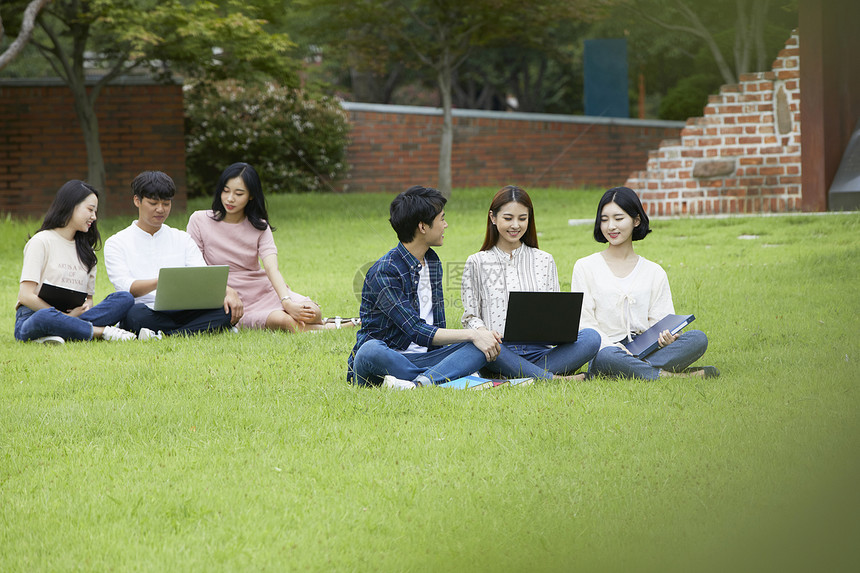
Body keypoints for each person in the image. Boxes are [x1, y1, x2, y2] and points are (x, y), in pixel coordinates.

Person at [348, 185, 501, 389]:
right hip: (384, 360)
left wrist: (478, 338)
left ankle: (419, 383)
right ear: (423, 227)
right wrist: (472, 333)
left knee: (480, 345)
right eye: (442, 219)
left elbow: (436, 325)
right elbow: (416, 330)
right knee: (370, 350)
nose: (446, 225)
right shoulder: (385, 272)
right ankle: (442, 377)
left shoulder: (432, 262)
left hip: (424, 359)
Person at [186, 162, 356, 332]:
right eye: (225, 191)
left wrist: (286, 301)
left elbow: (271, 268)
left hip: (263, 291)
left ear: (251, 196)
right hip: (231, 297)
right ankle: (335, 327)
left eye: (238, 193)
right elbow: (196, 268)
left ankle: (322, 323)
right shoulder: (199, 220)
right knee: (284, 321)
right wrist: (226, 290)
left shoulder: (260, 226)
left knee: (313, 312)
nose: (230, 198)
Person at [571, 186, 718, 379]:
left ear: (636, 220)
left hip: (647, 349)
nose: (610, 227)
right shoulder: (585, 267)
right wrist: (618, 349)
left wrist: (666, 338)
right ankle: (673, 376)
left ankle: (627, 372)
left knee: (698, 338)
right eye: (604, 220)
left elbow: (661, 321)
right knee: (608, 357)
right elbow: (585, 324)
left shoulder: (654, 271)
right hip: (606, 350)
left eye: (618, 218)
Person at [461, 185, 600, 380]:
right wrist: (484, 334)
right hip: (499, 351)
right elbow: (470, 317)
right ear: (493, 218)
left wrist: (560, 329)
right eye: (508, 218)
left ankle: (522, 375)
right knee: (474, 346)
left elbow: (554, 312)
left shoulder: (544, 260)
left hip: (540, 352)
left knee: (592, 338)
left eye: (522, 218)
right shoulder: (476, 262)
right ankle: (553, 379)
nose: (515, 225)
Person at [104, 170, 243, 338]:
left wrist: (229, 291)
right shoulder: (117, 242)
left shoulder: (182, 238)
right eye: (153, 203)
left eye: (166, 203)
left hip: (184, 308)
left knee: (224, 311)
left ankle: (165, 335)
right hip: (145, 309)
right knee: (132, 314)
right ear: (137, 201)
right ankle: (196, 330)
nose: (160, 209)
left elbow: (202, 277)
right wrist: (161, 281)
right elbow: (125, 288)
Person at [15, 180, 136, 344]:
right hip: (36, 315)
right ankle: (100, 332)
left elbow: (89, 300)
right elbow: (26, 295)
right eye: (90, 210)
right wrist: (64, 317)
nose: (94, 217)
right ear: (71, 206)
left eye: (95, 211)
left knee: (124, 298)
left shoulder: (88, 251)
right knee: (45, 317)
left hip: (77, 316)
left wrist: (78, 312)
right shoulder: (41, 241)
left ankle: (63, 331)